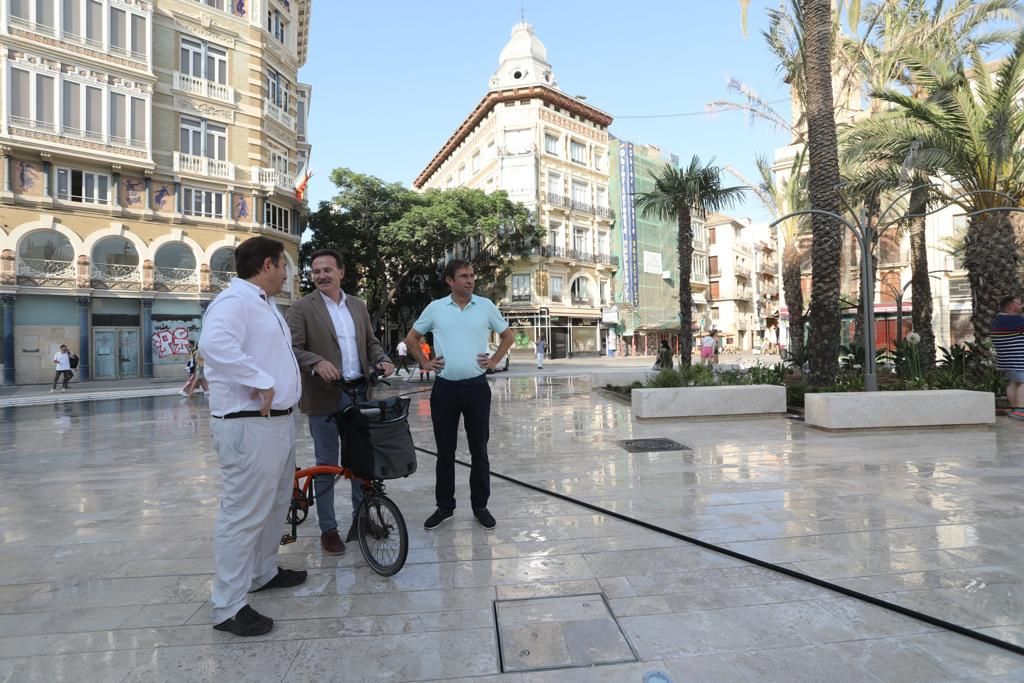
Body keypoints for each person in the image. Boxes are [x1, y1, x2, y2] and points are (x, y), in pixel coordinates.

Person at [198, 236, 305, 637]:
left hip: (277, 423)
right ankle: (228, 606)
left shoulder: (263, 304)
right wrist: (260, 381)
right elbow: (214, 344)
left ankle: (263, 571)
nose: (285, 273)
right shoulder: (234, 301)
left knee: (275, 505)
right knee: (242, 515)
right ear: (266, 265)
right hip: (249, 424)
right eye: (283, 266)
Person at [286, 248, 394, 552]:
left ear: (341, 272)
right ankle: (328, 529)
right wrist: (316, 362)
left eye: (327, 270)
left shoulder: (358, 306)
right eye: (316, 271)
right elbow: (291, 348)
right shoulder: (301, 308)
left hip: (359, 394)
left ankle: (363, 518)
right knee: (326, 464)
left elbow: (371, 343)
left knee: (361, 463)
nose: (321, 275)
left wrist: (382, 359)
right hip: (323, 397)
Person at [406, 260, 514, 531]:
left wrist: (493, 360)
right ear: (449, 281)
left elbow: (508, 337)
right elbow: (411, 338)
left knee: (480, 450)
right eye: (463, 276)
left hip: (477, 388)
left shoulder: (486, 306)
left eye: (472, 275)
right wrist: (425, 362)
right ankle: (445, 507)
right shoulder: (436, 308)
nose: (470, 280)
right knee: (445, 452)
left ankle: (480, 506)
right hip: (445, 390)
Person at [990, 295, 1024, 420]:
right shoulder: (1015, 320)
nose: (1021, 306)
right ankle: (1021, 411)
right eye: (1019, 304)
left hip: (1006, 360)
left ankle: (1015, 410)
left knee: (1014, 383)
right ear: (1011, 306)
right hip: (1019, 359)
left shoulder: (998, 320)